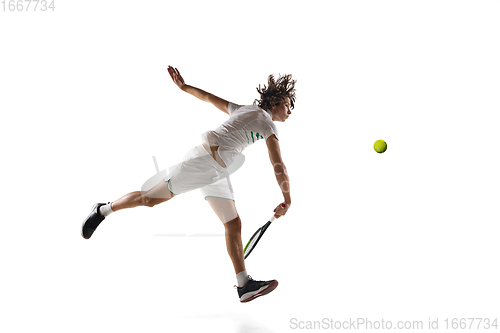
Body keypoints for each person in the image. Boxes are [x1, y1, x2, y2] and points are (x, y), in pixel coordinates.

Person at [81, 66, 295, 303]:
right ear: (275, 103)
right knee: (149, 199)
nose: (289, 111)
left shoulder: (247, 110)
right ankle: (102, 209)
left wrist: (185, 87)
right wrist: (288, 198)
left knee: (233, 223)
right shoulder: (267, 123)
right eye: (287, 104)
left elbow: (209, 98)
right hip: (201, 162)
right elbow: (279, 165)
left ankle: (244, 285)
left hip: (217, 171)